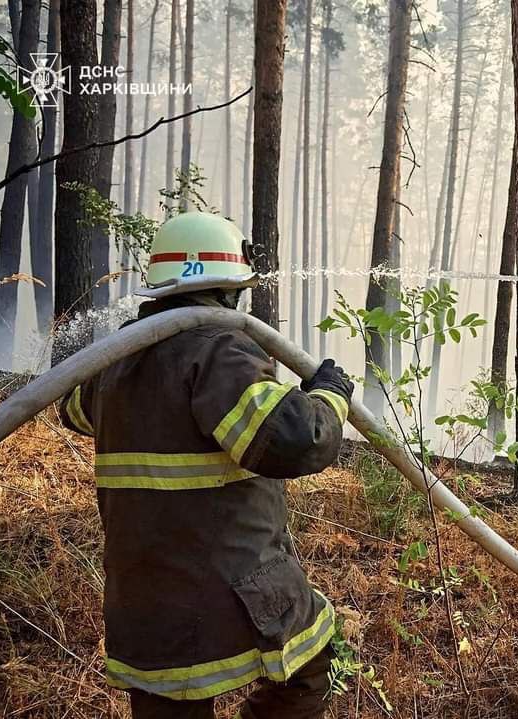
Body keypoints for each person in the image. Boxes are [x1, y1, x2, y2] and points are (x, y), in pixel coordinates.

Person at [57, 211, 354, 719]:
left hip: (143, 599)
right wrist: (329, 396)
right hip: (231, 585)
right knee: (310, 661)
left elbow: (72, 409)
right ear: (226, 288)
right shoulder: (216, 348)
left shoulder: (117, 361)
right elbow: (294, 439)